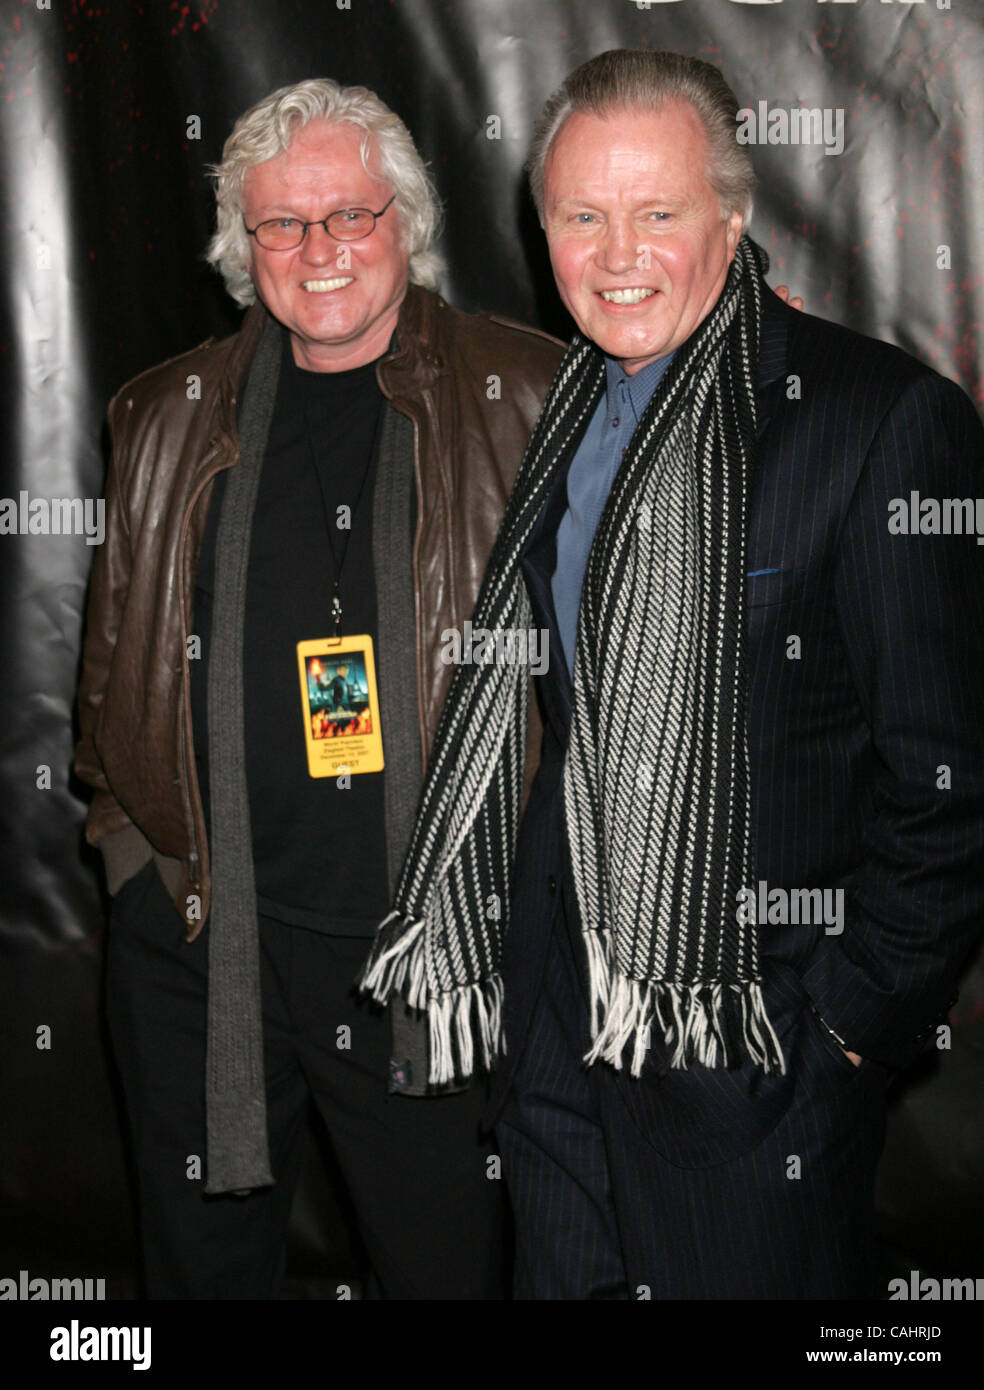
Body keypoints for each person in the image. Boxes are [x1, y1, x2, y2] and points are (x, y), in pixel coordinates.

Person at [360, 50, 984, 1299]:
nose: (616, 252)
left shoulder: (877, 420)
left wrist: (843, 1040)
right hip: (555, 1035)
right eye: (581, 217)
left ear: (735, 219)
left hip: (750, 1058)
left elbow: (953, 789)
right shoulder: (567, 416)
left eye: (658, 212)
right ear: (542, 233)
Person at [73, 77, 563, 1299]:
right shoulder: (163, 414)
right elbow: (108, 677)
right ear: (244, 249)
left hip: (438, 960)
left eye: (349, 214)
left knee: (450, 1269)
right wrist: (137, 858)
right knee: (201, 1273)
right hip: (205, 946)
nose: (319, 250)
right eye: (282, 226)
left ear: (406, 222)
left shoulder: (532, 395)